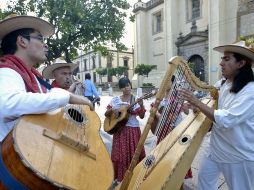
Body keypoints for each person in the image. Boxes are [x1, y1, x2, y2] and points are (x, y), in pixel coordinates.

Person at [0, 14, 93, 144]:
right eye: (40, 39)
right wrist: (68, 97)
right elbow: (7, 104)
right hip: (10, 157)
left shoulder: (35, 77)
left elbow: (48, 99)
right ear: (22, 41)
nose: (45, 45)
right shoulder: (7, 71)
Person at [179, 40, 254, 190]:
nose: (221, 63)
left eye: (226, 59)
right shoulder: (224, 84)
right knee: (204, 183)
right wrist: (194, 104)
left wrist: (197, 102)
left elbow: (227, 119)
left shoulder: (250, 91)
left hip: (238, 154)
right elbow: (210, 100)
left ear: (240, 64)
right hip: (216, 148)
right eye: (222, 59)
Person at [104, 77, 146, 184]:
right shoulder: (115, 100)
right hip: (119, 131)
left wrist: (141, 105)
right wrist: (114, 111)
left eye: (128, 85)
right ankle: (120, 178)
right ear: (121, 88)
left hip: (133, 131)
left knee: (133, 154)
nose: (127, 88)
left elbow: (141, 116)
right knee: (120, 155)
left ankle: (134, 177)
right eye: (124, 86)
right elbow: (107, 114)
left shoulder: (135, 99)